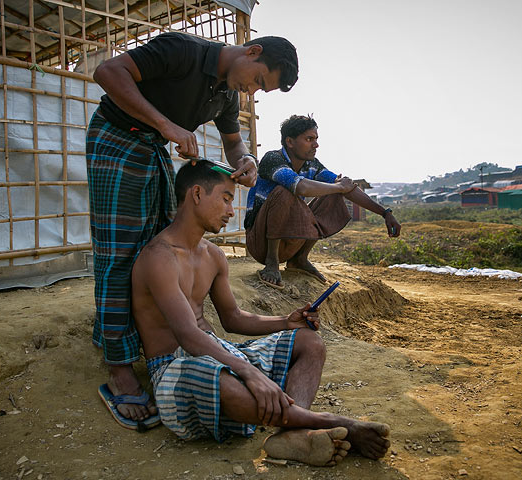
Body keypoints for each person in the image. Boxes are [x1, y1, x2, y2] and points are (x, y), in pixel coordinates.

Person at [87, 32, 299, 427]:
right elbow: (107, 72)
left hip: (151, 147)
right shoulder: (183, 51)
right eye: (257, 80)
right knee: (118, 253)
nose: (252, 90)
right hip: (116, 139)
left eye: (260, 89)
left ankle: (138, 342)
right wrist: (166, 125)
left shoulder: (226, 95)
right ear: (252, 52)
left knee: (152, 246)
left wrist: (247, 160)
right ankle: (118, 367)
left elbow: (234, 145)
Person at [130, 161, 391, 466]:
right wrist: (249, 372)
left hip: (219, 351)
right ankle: (330, 422)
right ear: (197, 194)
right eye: (226, 198)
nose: (231, 211)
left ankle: (291, 434)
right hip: (175, 367)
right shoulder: (158, 258)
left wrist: (286, 322)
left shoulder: (213, 256)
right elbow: (188, 335)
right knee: (233, 389)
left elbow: (233, 319)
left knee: (308, 342)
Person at [244, 115, 401, 289]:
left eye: (316, 139)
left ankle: (299, 258)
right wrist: (340, 187)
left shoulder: (312, 165)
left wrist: (385, 213)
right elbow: (301, 187)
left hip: (291, 241)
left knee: (333, 190)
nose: (316, 145)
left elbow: (346, 188)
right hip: (260, 243)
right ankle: (272, 263)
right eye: (309, 139)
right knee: (285, 191)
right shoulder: (272, 159)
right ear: (289, 142)